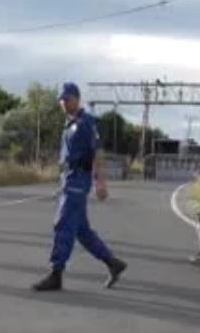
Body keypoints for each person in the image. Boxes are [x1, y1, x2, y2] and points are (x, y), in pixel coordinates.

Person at [32, 82, 128, 291]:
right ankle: (113, 264)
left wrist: (100, 181)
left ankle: (56, 273)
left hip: (78, 180)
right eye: (61, 100)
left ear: (77, 98)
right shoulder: (68, 124)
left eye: (67, 99)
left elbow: (98, 152)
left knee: (63, 224)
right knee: (81, 231)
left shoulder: (86, 123)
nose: (63, 103)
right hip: (69, 178)